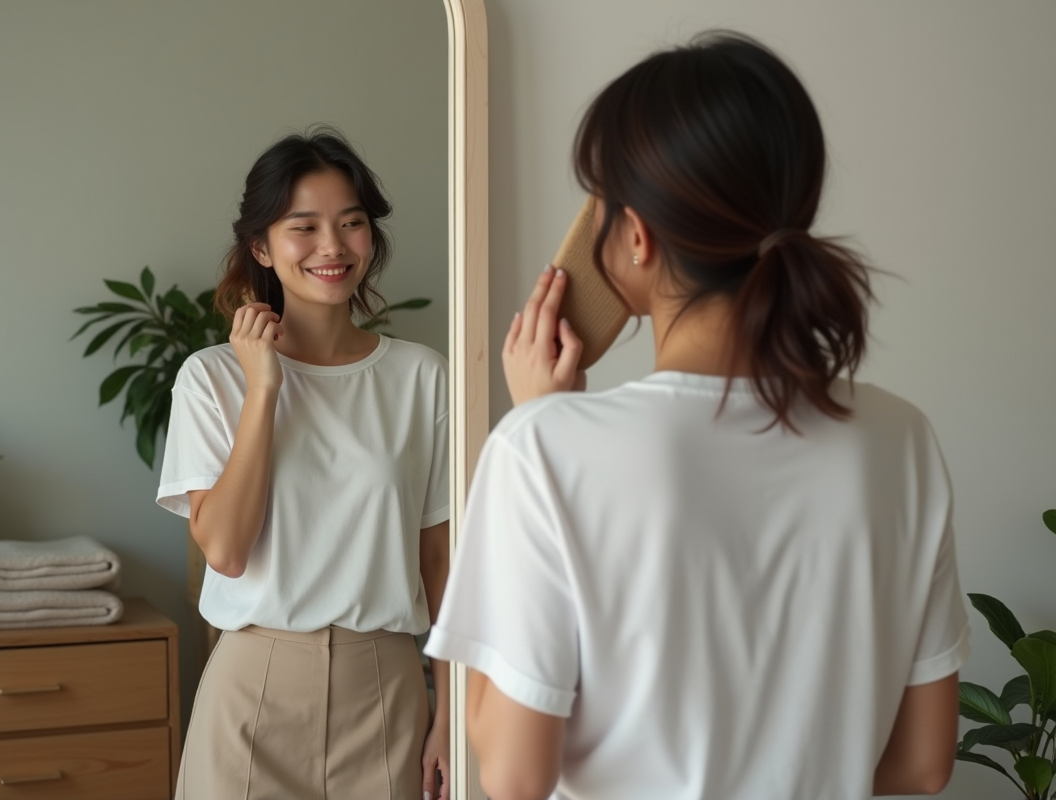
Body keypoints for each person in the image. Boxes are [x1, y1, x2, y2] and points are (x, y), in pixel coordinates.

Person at [425, 31, 969, 800]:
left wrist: (541, 422)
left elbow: (515, 773)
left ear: (635, 234)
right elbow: (921, 763)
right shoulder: (900, 439)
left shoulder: (542, 451)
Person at [157, 127, 451, 800]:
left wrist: (452, 708)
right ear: (261, 247)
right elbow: (226, 550)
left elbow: (439, 561)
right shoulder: (211, 379)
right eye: (304, 227)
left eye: (351, 223)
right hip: (252, 693)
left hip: (388, 693)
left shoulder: (422, 378)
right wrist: (263, 388)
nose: (333, 246)